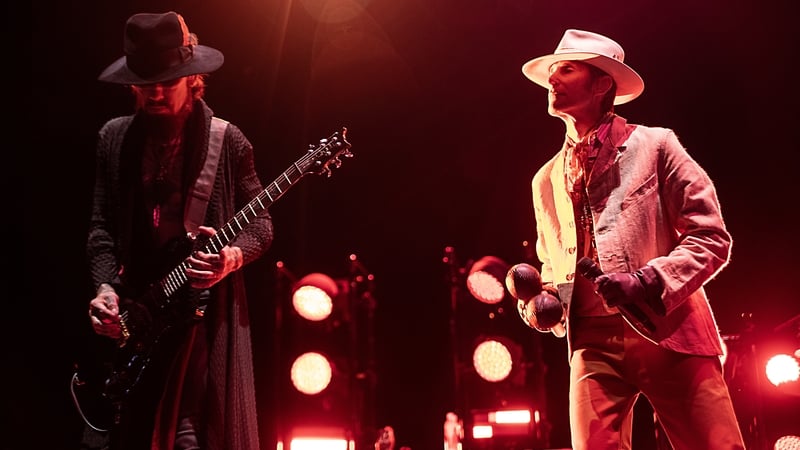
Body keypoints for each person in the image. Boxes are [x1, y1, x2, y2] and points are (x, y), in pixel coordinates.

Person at [515, 29, 746, 449]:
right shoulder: (545, 179)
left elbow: (711, 237)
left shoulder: (656, 145)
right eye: (553, 70)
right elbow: (554, 265)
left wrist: (645, 281)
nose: (553, 78)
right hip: (589, 343)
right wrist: (539, 303)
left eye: (566, 69)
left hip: (669, 330)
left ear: (602, 83)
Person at [84, 11, 273, 450]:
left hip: (197, 316)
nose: (154, 92)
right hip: (137, 316)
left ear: (193, 78)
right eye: (144, 82)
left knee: (190, 432)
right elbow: (100, 230)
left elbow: (261, 224)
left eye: (167, 80)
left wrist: (229, 259)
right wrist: (104, 291)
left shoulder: (228, 141)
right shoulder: (113, 139)